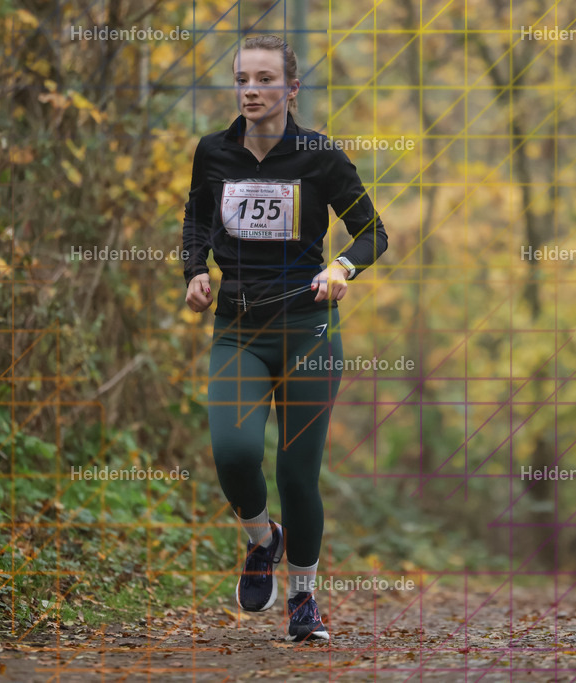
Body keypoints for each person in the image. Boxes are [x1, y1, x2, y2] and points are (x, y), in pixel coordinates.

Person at [181, 34, 387, 641]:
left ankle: (303, 598)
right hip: (239, 329)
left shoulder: (320, 157)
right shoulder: (213, 152)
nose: (251, 89)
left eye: (265, 79)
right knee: (235, 452)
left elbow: (373, 231)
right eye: (243, 78)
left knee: (299, 474)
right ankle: (260, 538)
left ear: (291, 89)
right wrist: (195, 270)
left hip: (308, 329)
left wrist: (342, 268)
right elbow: (196, 216)